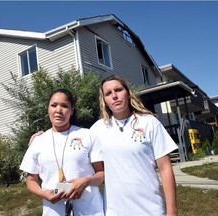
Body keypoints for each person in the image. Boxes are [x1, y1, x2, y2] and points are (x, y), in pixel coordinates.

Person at [90, 75, 178, 216]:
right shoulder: (97, 129)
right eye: (108, 93)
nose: (114, 95)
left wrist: (172, 212)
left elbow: (165, 168)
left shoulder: (149, 123)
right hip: (114, 211)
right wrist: (43, 138)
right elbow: (75, 148)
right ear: (104, 100)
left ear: (127, 93)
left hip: (151, 210)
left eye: (118, 90)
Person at [20, 89, 105, 216]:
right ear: (48, 108)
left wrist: (85, 181)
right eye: (54, 105)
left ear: (71, 110)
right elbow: (31, 180)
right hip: (53, 211)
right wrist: (45, 194)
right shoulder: (38, 141)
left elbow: (102, 175)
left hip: (90, 211)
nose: (58, 110)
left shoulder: (87, 135)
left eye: (64, 106)